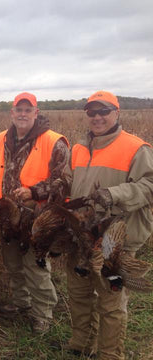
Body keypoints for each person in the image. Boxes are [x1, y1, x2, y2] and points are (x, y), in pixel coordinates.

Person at [66, 91, 153, 359]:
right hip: (82, 234)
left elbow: (149, 186)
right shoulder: (79, 148)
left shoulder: (137, 148)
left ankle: (109, 354)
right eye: (92, 112)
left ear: (117, 113)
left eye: (104, 111)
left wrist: (114, 194)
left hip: (115, 240)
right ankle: (82, 343)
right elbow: (68, 180)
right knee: (79, 292)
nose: (97, 117)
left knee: (111, 301)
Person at [0, 92, 70, 332]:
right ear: (12, 113)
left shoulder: (54, 141)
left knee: (35, 265)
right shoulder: (2, 138)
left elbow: (64, 180)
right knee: (12, 262)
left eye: (27, 110)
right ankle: (21, 302)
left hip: (36, 218)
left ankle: (43, 313)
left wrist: (34, 191)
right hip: (7, 216)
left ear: (36, 112)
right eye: (18, 110)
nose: (22, 114)